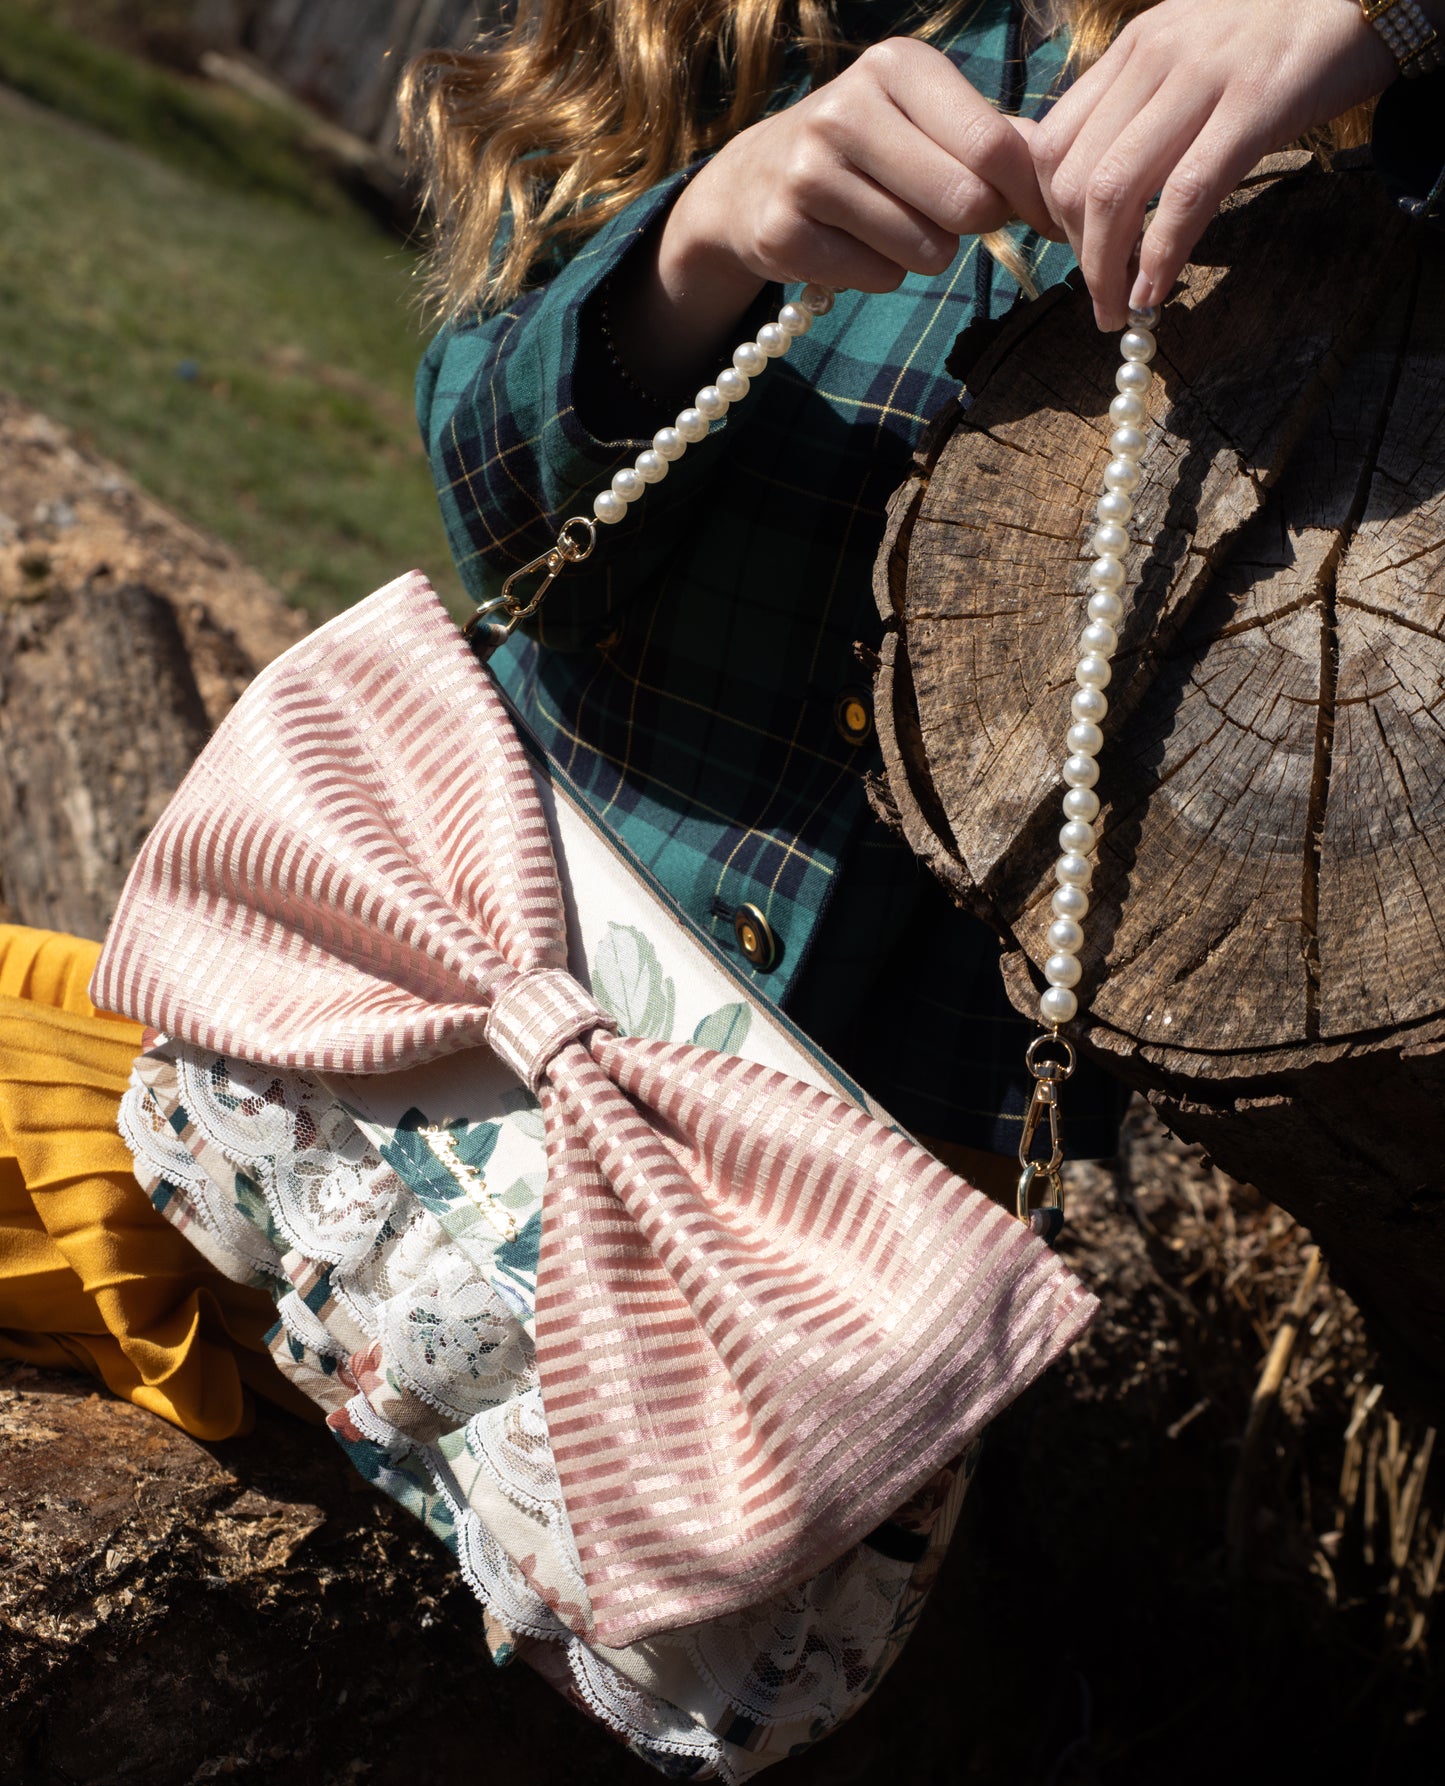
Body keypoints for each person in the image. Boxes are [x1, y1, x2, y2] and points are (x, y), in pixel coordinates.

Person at [0, 0, 1439, 1562]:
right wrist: (694, 249)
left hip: (823, 1265)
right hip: (410, 1001)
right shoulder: (748, 27)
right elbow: (497, 503)